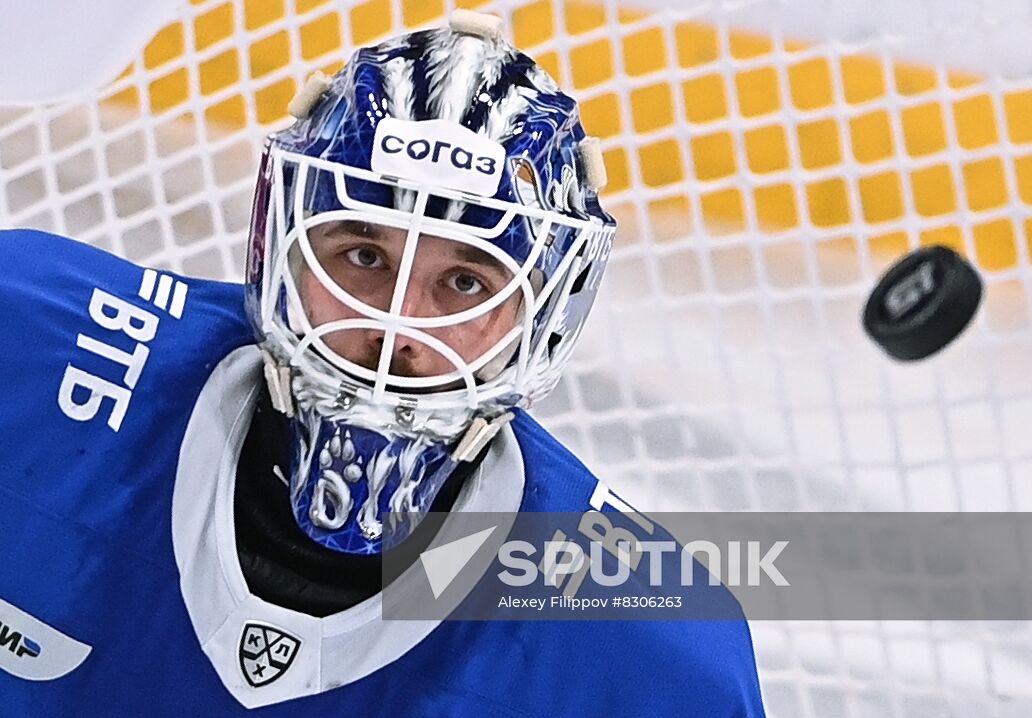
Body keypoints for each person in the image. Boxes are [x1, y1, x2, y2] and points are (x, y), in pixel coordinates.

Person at [0, 11, 766, 716]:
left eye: (465, 283)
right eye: (362, 256)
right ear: (278, 255)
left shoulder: (650, 658)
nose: (398, 324)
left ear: (543, 319)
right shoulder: (23, 357)